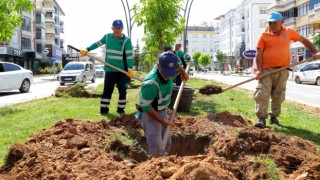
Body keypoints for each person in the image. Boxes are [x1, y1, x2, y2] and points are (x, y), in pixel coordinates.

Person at [254, 12, 320, 128]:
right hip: (266, 71)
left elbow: (304, 40)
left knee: (278, 94)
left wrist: (315, 52)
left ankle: (274, 118)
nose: (272, 25)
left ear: (282, 22)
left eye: (274, 22)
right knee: (262, 94)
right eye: (270, 22)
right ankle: (261, 119)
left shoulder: (289, 32)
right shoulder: (263, 36)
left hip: (283, 70)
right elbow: (259, 54)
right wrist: (259, 70)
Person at [136, 52, 189, 157]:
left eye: (171, 72)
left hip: (162, 110)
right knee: (156, 146)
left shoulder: (170, 66)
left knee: (167, 143)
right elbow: (146, 106)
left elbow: (177, 65)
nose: (168, 76)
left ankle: (165, 163)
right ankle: (154, 168)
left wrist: (183, 73)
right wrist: (162, 121)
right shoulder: (151, 83)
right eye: (165, 72)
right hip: (150, 112)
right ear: (158, 65)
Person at [80, 19, 133, 115]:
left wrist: (130, 67)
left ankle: (121, 110)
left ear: (122, 29)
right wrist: (87, 49)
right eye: (116, 28)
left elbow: (129, 55)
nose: (117, 30)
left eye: (119, 28)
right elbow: (97, 43)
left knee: (122, 91)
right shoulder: (107, 37)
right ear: (112, 28)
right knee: (107, 90)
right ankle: (103, 110)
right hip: (110, 70)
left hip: (122, 71)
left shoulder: (126, 40)